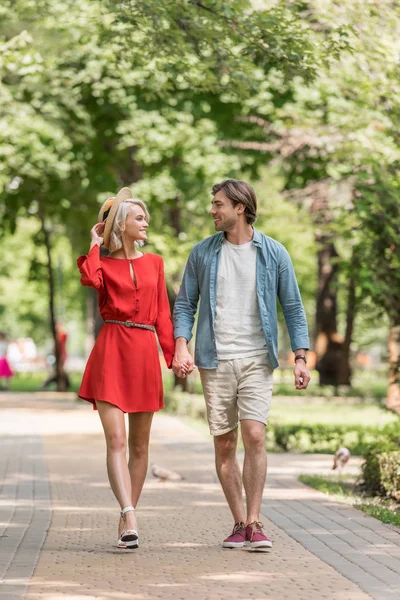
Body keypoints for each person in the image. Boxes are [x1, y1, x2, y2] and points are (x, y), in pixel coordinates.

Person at [173, 179, 310, 552]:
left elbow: (293, 307)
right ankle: (238, 523)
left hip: (256, 358)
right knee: (225, 444)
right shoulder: (202, 253)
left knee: (254, 434)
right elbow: (185, 304)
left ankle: (255, 522)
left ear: (240, 207)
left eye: (218, 204)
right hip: (214, 359)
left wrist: (300, 356)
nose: (212, 210)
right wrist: (180, 346)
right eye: (212, 203)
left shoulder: (274, 253)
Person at [77, 187, 187, 549]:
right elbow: (90, 279)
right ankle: (130, 512)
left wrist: (174, 356)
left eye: (146, 219)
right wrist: (95, 243)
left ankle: (128, 517)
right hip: (111, 351)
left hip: (143, 353)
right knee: (118, 441)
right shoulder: (103, 265)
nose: (146, 224)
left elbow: (161, 315)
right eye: (139, 218)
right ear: (121, 224)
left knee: (140, 446)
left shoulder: (155, 263)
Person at [40, 321, 70, 391]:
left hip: (61, 355)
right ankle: (60, 386)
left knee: (58, 372)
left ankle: (59, 386)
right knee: (57, 371)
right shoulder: (58, 335)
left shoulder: (62, 334)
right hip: (57, 355)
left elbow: (61, 346)